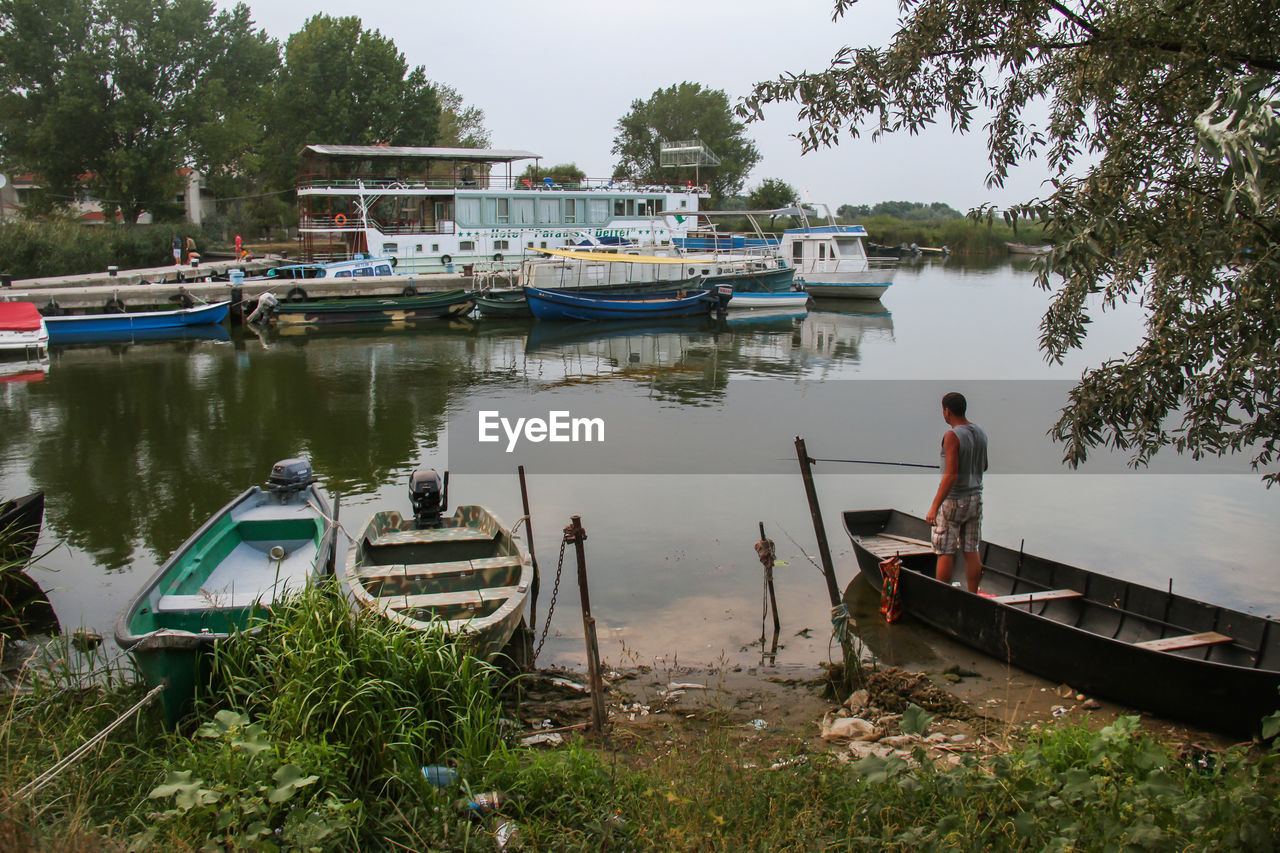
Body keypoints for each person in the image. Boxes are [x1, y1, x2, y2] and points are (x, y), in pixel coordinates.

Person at [924, 392, 988, 592]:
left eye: (943, 410)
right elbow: (984, 466)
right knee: (971, 549)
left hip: (953, 502)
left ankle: (942, 596)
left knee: (945, 550)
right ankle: (973, 594)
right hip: (975, 499)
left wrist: (934, 508)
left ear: (947, 411)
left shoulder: (952, 436)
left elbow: (951, 475)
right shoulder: (980, 433)